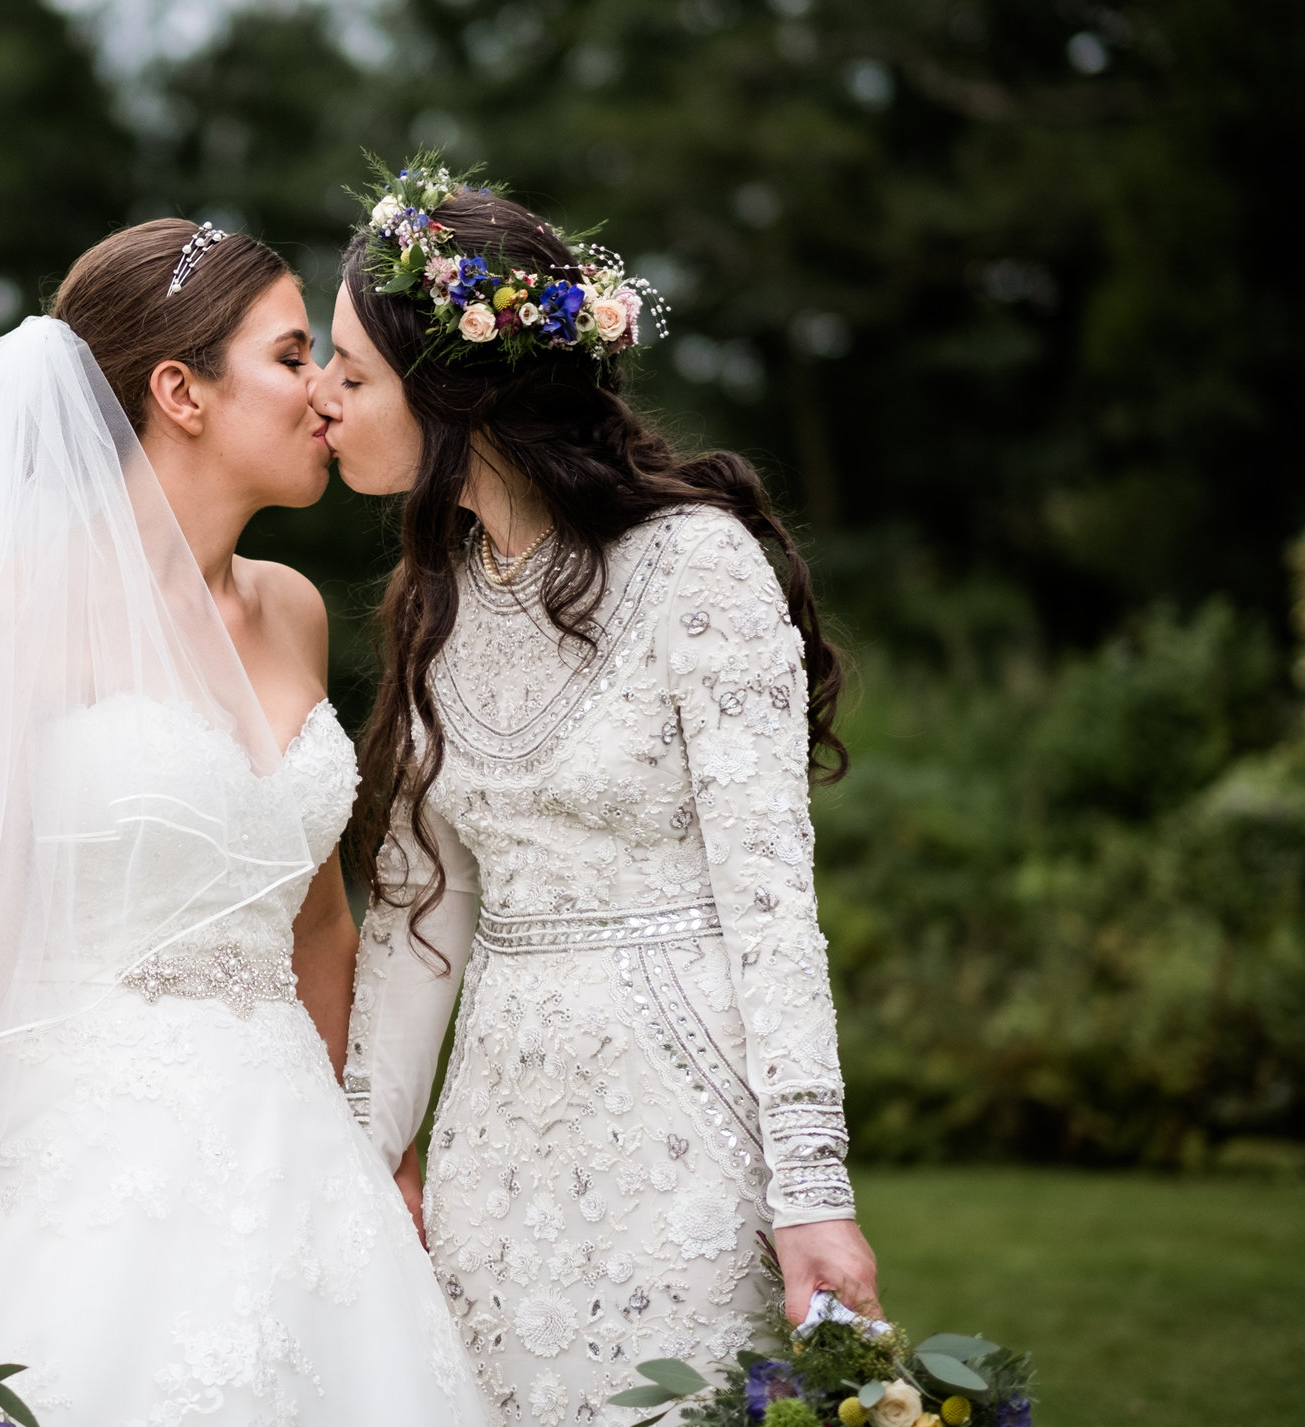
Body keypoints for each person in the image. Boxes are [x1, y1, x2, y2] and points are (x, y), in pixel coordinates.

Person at [0, 219, 486, 1427]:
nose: (326, 390)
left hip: (300, 1164)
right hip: (84, 1161)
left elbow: (319, 918)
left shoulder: (296, 610)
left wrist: (384, 1153)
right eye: (288, 355)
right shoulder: (11, 609)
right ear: (182, 391)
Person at [308, 164, 880, 1426]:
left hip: (686, 1119)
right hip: (492, 1143)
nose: (321, 399)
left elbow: (773, 904)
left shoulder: (697, 569)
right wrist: (355, 1171)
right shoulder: (430, 600)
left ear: (451, 389)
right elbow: (415, 921)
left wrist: (812, 1190)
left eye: (350, 374)